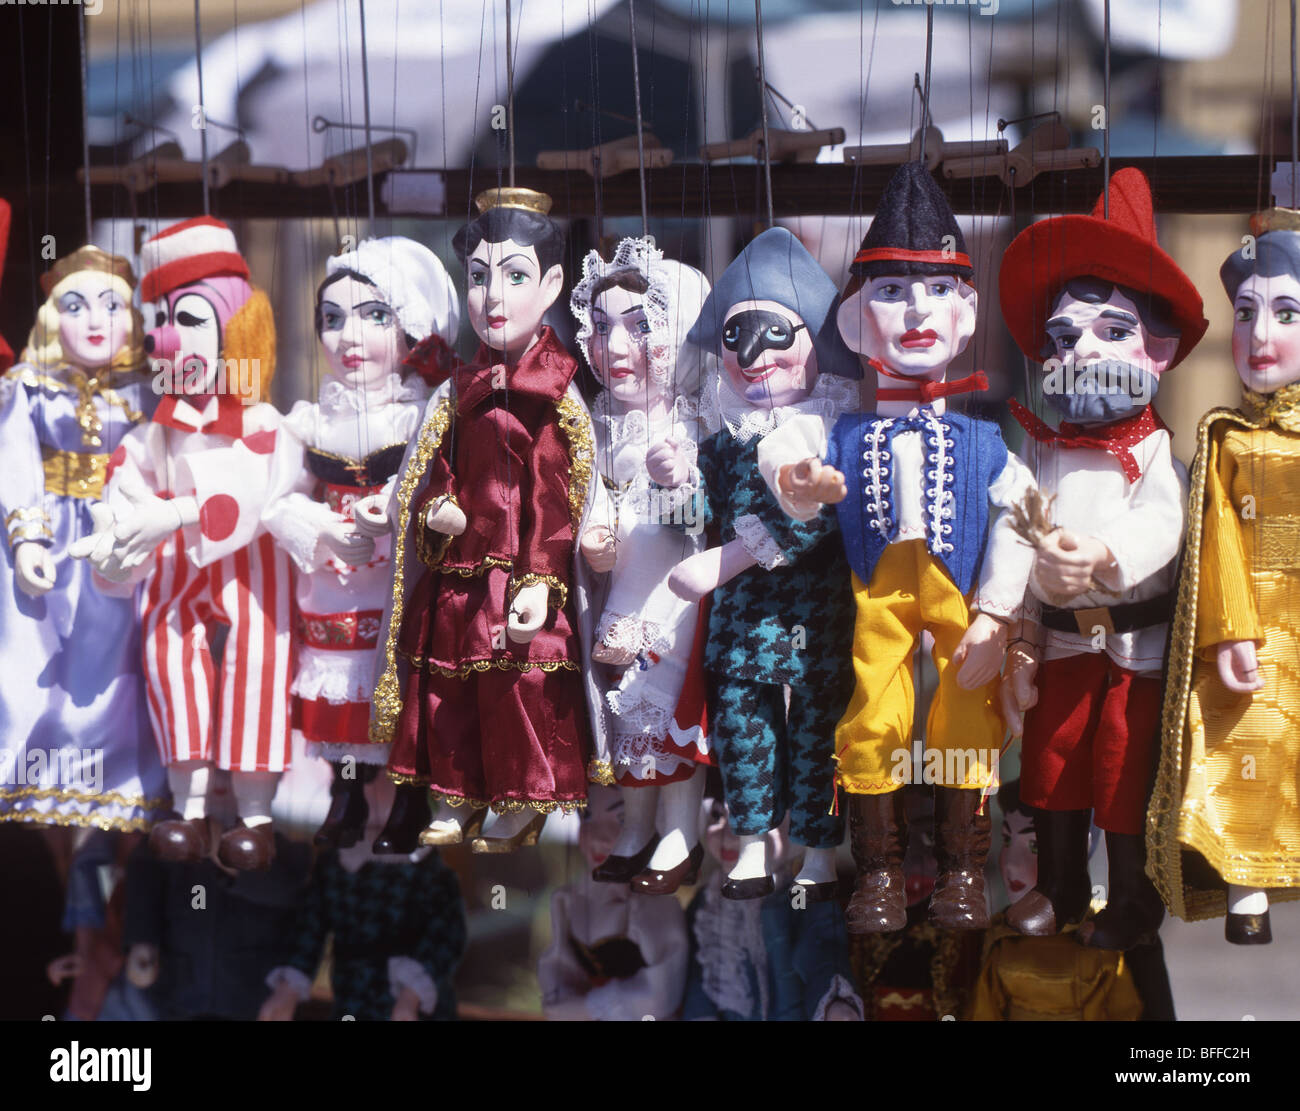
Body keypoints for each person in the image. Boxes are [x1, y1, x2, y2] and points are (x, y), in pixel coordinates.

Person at [1149, 210, 1300, 944]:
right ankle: (1247, 885)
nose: (1260, 336)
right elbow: (1218, 545)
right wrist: (1230, 629)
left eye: (1286, 312)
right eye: (1246, 314)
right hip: (1261, 636)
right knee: (1246, 745)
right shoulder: (1226, 438)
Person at [0, 245, 165, 830]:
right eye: (76, 306)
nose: (95, 321)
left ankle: (117, 785)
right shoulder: (28, 386)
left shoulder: (148, 391)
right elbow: (14, 459)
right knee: (35, 664)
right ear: (52, 318)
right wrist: (26, 537)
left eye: (110, 306)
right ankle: (31, 777)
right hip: (49, 542)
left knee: (117, 670)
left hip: (118, 539)